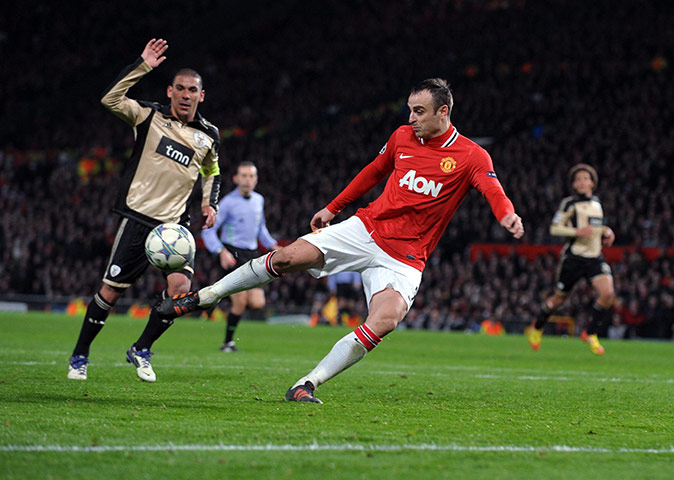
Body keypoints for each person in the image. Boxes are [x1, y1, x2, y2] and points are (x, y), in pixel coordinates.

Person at [159, 78, 524, 403]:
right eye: (410, 110)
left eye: (419, 111)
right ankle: (203, 297)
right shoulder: (402, 137)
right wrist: (333, 207)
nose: (411, 118)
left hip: (405, 257)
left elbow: (492, 188)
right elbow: (372, 172)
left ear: (443, 112)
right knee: (286, 258)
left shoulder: (471, 155)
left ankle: (307, 383)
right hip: (366, 230)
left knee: (387, 319)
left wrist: (506, 213)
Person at [67, 39, 221, 382]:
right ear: (169, 91)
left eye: (192, 90)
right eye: (179, 88)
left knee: (180, 291)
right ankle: (80, 355)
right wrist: (142, 65)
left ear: (201, 95)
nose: (185, 95)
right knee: (110, 292)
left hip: (174, 228)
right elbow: (110, 99)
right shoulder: (149, 115)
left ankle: (141, 348)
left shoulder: (208, 135)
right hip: (138, 218)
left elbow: (211, 170)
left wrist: (210, 202)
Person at [526, 163, 615, 355]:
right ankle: (538, 326)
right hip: (573, 258)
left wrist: (607, 232)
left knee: (607, 293)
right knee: (558, 299)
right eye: (578, 179)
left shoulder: (597, 203)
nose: (582, 182)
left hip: (594, 257)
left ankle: (590, 333)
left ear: (592, 182)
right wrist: (576, 231)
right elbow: (555, 228)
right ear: (574, 185)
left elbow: (596, 227)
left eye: (586, 178)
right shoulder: (569, 203)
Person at [201, 161, 278, 352]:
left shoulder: (259, 200)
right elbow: (208, 231)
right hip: (232, 253)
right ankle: (228, 342)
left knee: (257, 303)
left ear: (256, 180)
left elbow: (261, 229)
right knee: (241, 301)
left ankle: (223, 299)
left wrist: (273, 245)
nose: (247, 180)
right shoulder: (227, 203)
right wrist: (220, 251)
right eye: (243, 175)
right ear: (236, 179)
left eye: (251, 176)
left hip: (251, 254)